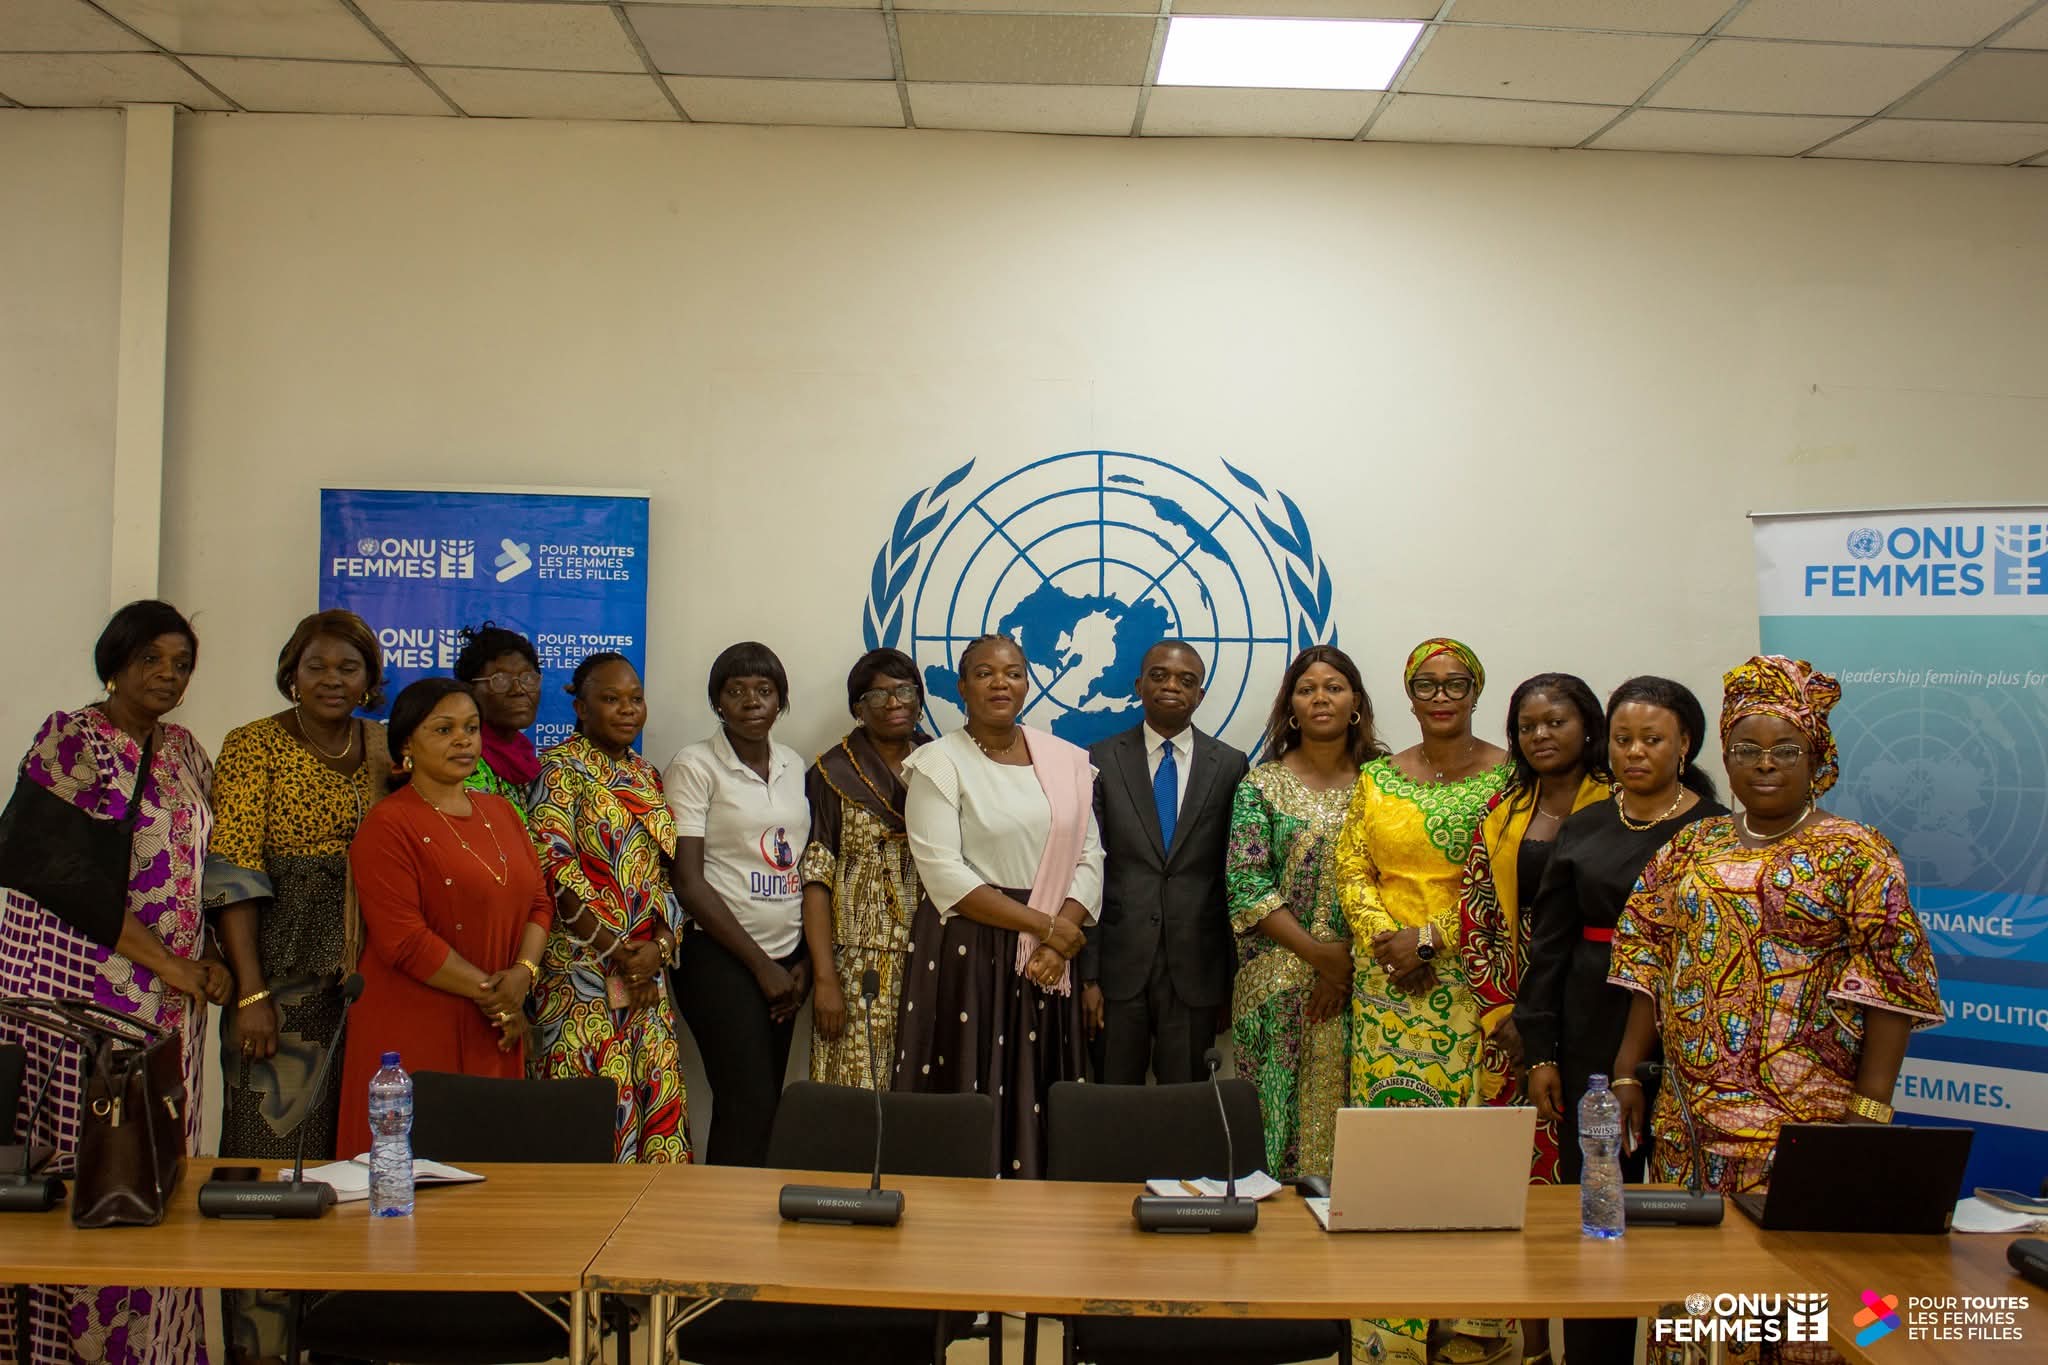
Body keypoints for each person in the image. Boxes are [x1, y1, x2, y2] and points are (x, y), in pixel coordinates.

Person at [1610, 656, 1941, 1197]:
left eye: (1785, 750)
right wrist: (1627, 1069)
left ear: (1816, 758)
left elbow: (1891, 984)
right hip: (1688, 1124)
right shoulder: (1693, 843)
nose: (1765, 764)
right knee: (1687, 1251)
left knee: (1790, 1251)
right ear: (1725, 757)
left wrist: (1869, 1112)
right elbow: (1647, 954)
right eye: (1746, 750)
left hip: (1808, 1126)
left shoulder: (1857, 852)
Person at [0, 602, 231, 1365]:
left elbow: (199, 868)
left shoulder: (185, 750)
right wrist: (167, 962)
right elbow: (53, 871)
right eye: (150, 658)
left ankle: (157, 1348)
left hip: (168, 1005)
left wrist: (207, 956)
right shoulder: (75, 738)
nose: (167, 674)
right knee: (94, 1173)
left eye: (181, 663)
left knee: (157, 1171)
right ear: (115, 662)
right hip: (82, 997)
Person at [1512, 675, 1724, 1365]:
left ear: (1685, 744)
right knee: (1599, 1205)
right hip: (1589, 1031)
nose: (1634, 752)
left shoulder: (1716, 831)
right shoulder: (1587, 824)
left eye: (1652, 739)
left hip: (1692, 1033)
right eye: (1623, 739)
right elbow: (1548, 945)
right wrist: (1541, 1050)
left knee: (1680, 1208)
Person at [206, 608, 390, 1364]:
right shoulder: (252, 744)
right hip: (279, 992)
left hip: (367, 993)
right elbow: (234, 873)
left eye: (348, 668)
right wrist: (251, 994)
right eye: (317, 666)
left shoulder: (383, 747)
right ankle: (261, 1347)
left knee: (352, 1176)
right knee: (268, 1178)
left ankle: (338, 1342)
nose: (332, 680)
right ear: (291, 673)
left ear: (370, 679)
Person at [1334, 637, 1510, 1365]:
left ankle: (1472, 1322)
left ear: (1476, 691)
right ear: (1408, 696)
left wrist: (1431, 940)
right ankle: (1389, 1329)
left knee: (1467, 1155)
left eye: (1455, 683)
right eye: (1427, 685)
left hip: (1471, 988)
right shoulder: (1376, 777)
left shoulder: (1509, 776)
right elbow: (1352, 868)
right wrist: (1389, 942)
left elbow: (1504, 877)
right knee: (1391, 1156)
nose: (1441, 696)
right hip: (1386, 993)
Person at [896, 633, 1103, 1178]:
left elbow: (1091, 858)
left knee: (1040, 1092)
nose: (1000, 684)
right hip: (971, 947)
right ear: (961, 687)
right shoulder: (939, 763)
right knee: (972, 1083)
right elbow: (945, 875)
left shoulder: (1064, 762)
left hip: (1050, 958)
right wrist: (1046, 929)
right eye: (984, 673)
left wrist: (1058, 939)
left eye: (1012, 673)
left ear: (1027, 684)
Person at [1454, 672, 1608, 1365]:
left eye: (1556, 722)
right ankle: (1534, 1345)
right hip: (1512, 1032)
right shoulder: (1505, 807)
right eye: (1527, 726)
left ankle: (1593, 1337)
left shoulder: (1622, 804)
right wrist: (1503, 1014)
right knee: (1520, 1192)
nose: (1541, 735)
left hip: (1595, 1019)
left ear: (1588, 726)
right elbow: (1477, 913)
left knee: (1590, 1186)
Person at [338, 679, 552, 1157]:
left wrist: (522, 975)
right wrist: (498, 996)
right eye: (444, 729)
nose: (463, 740)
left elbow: (540, 902)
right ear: (406, 745)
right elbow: (404, 940)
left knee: (489, 1169)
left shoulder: (502, 812)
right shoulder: (388, 823)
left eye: (471, 729)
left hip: (495, 1023)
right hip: (416, 1024)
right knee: (415, 1168)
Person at [1225, 645, 1379, 1181]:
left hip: (1366, 982)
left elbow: (1398, 879)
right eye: (1307, 689)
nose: (1321, 698)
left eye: (1334, 687)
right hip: (1275, 985)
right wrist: (1320, 957)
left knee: (1358, 1126)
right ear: (1290, 706)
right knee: (1273, 1126)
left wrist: (1345, 966)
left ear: (1355, 702)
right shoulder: (1260, 785)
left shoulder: (1384, 782)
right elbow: (1246, 885)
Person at [530, 653, 690, 1163]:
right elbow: (554, 871)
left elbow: (666, 875)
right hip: (583, 976)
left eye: (635, 699)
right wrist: (618, 953)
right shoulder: (558, 769)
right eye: (611, 699)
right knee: (593, 1113)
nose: (627, 709)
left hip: (645, 975)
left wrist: (659, 947)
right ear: (581, 707)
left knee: (652, 1100)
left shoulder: (646, 775)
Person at [666, 641, 811, 1166]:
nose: (752, 701)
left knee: (769, 1104)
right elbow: (688, 881)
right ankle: (723, 1215)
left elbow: (800, 866)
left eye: (764, 690)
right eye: (736, 690)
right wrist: (760, 966)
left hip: (786, 961)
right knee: (744, 1103)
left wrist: (801, 962)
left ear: (781, 700)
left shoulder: (794, 764)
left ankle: (756, 1212)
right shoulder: (695, 765)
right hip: (719, 958)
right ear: (717, 702)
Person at [1083, 640, 1249, 1085]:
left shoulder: (1230, 765)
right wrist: (1088, 976)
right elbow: (1087, 869)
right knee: (1113, 1100)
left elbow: (1234, 877)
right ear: (1139, 685)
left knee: (1186, 1105)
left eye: (1185, 680)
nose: (1171, 686)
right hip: (1118, 969)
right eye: (1159, 676)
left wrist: (1228, 981)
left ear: (1200, 694)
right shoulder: (1100, 759)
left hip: (1196, 970)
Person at [799, 648, 929, 1090]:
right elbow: (816, 879)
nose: (894, 703)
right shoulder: (831, 773)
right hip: (858, 964)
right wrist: (825, 979)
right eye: (877, 695)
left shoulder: (942, 764)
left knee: (925, 1094)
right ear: (858, 708)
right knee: (855, 1092)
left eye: (905, 691)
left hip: (933, 954)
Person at [453, 621, 545, 819]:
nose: (518, 690)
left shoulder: (526, 760)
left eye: (528, 678)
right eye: (501, 680)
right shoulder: (462, 761)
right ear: (470, 690)